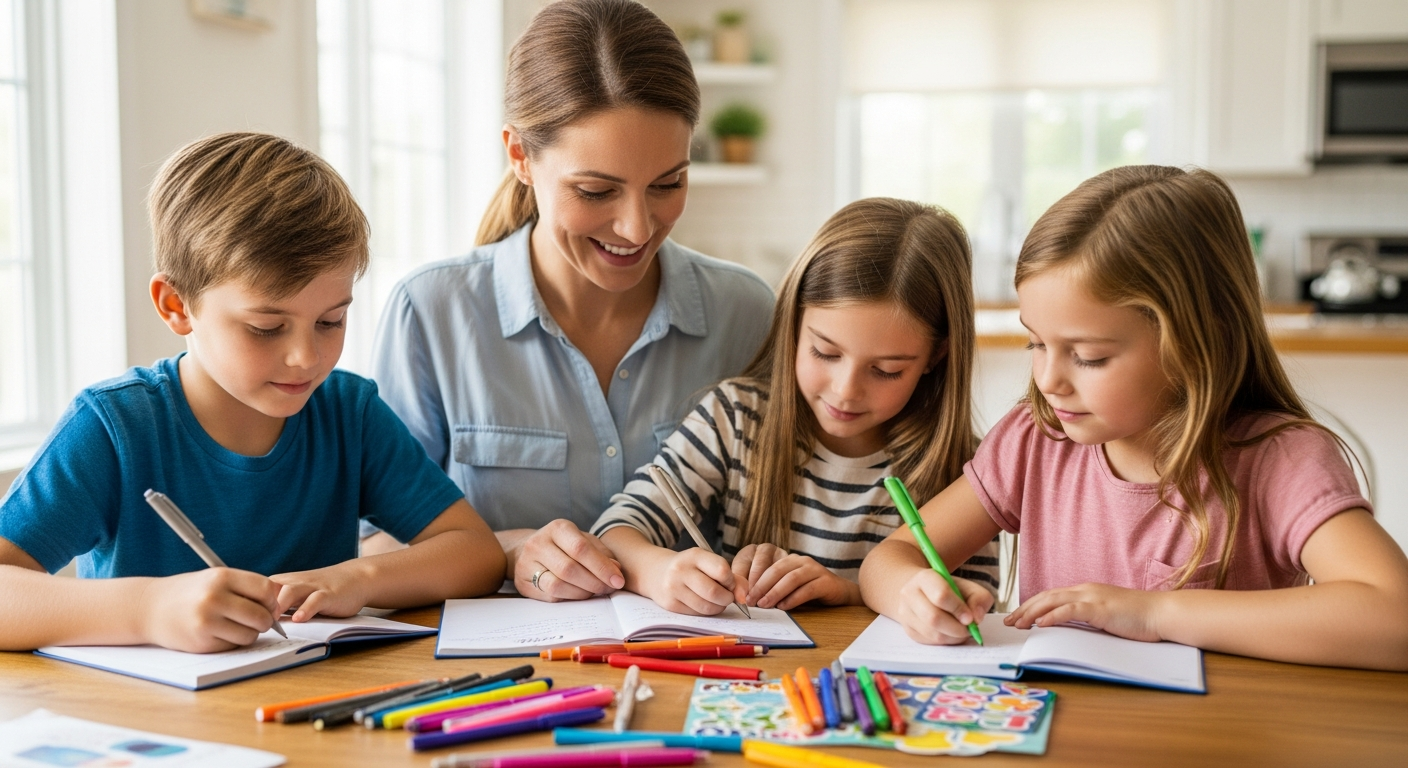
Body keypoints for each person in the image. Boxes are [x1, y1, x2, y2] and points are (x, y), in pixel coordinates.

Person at [860, 166, 1408, 670]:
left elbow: (1394, 618)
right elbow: (892, 557)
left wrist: (1155, 614)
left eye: (1090, 356)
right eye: (1035, 343)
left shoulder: (1279, 459)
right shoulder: (1036, 439)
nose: (1048, 381)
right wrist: (914, 591)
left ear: (1198, 340)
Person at [0, 133, 505, 653]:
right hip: (150, 722)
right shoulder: (114, 427)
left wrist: (356, 578)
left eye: (331, 320)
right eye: (266, 327)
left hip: (310, 709)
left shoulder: (347, 413)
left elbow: (475, 553)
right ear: (176, 304)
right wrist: (149, 610)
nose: (305, 358)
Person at [366, 0, 774, 601]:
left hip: (705, 669)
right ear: (520, 157)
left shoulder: (747, 313)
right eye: (595, 189)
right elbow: (374, 545)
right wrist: (506, 552)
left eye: (668, 184)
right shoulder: (430, 313)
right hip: (506, 682)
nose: (637, 228)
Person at [590, 198, 1000, 615]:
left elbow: (969, 607)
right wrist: (660, 571)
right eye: (825, 352)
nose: (845, 391)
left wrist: (847, 592)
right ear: (793, 325)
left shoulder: (966, 470)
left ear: (937, 356)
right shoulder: (734, 418)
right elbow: (614, 530)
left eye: (886, 370)